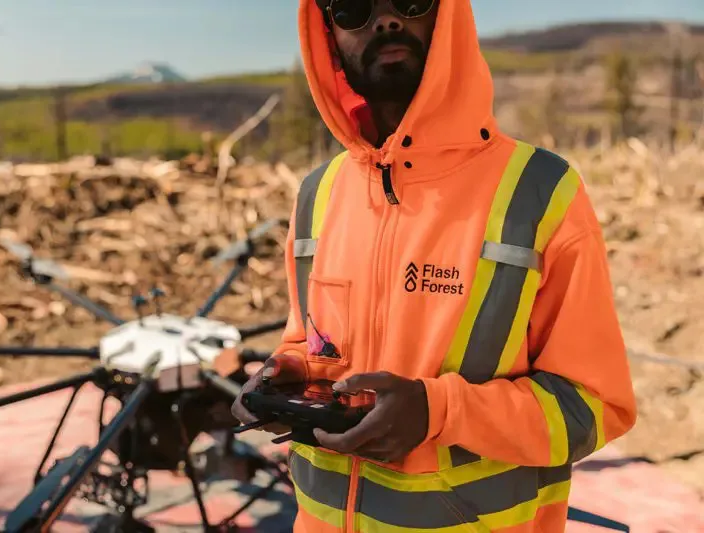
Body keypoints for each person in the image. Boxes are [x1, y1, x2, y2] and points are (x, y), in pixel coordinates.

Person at [232, 1, 638, 531]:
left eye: (412, 0)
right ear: (325, 31)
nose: (386, 20)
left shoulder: (539, 192)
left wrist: (438, 412)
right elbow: (311, 345)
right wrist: (287, 375)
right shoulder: (319, 193)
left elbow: (592, 408)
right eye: (352, 7)